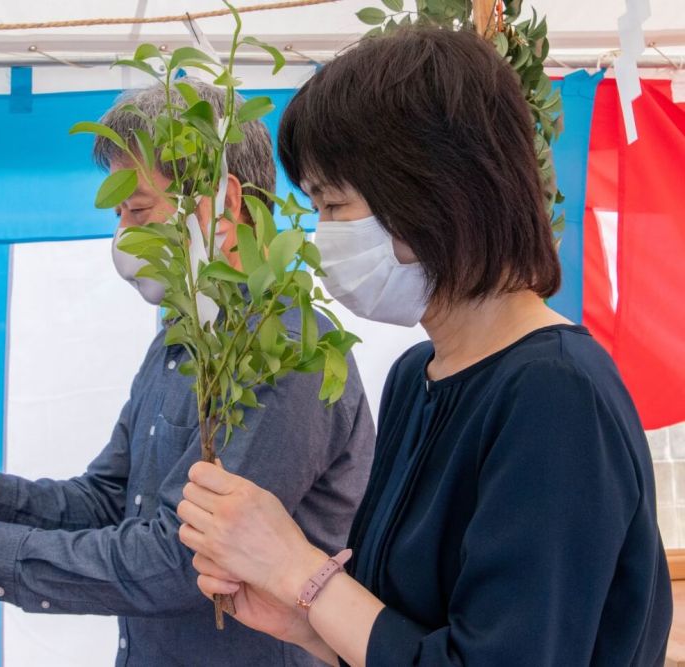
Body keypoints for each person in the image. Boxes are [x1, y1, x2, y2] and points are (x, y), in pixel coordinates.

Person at [177, 29, 673, 667]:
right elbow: (406, 635)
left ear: (429, 195)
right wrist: (303, 622)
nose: (321, 237)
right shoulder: (419, 377)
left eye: (334, 205)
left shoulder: (554, 392)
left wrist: (295, 565)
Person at [0, 79, 376, 666]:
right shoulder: (179, 342)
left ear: (221, 204)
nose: (123, 236)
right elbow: (112, 500)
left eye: (138, 209)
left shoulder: (288, 351)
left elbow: (182, 561)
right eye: (120, 214)